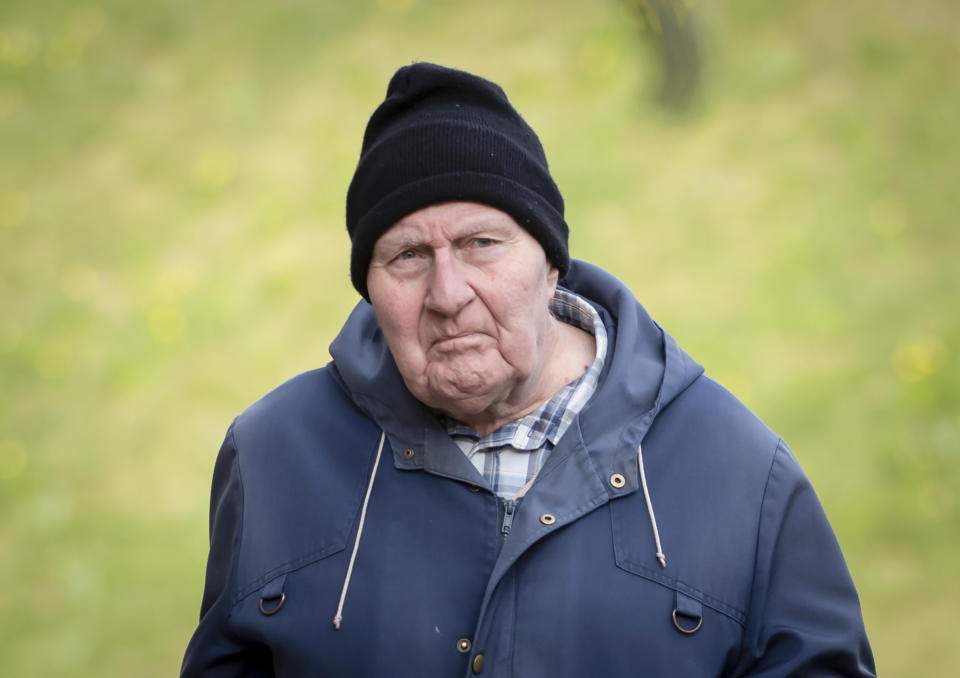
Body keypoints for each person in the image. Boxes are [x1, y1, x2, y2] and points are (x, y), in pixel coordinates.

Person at [181, 62, 875, 677]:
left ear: (550, 263)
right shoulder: (273, 455)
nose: (448, 294)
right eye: (407, 257)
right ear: (369, 287)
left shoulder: (741, 470)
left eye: (482, 243)